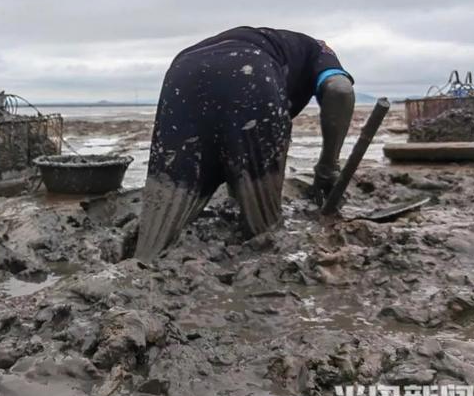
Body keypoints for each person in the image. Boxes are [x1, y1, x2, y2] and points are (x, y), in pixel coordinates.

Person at [134, 26, 355, 262]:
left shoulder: (272, 42)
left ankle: (135, 268)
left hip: (182, 70)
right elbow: (340, 90)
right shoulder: (319, 49)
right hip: (251, 70)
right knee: (265, 239)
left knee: (157, 232)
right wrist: (328, 167)